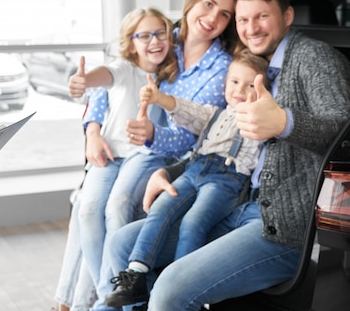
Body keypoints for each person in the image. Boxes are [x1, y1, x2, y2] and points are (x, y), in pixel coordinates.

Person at [104, 0, 350, 311]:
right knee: (121, 243)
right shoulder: (249, 64)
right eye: (243, 19)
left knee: (170, 289)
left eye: (262, 16)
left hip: (282, 227)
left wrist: (285, 122)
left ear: (288, 17)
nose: (252, 28)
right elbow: (219, 136)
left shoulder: (313, 59)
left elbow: (341, 127)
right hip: (234, 202)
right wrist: (171, 173)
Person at [54, 0, 240, 311]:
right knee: (87, 205)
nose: (213, 18)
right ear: (193, 0)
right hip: (119, 148)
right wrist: (92, 130)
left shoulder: (222, 68)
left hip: (167, 156)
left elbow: (192, 135)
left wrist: (153, 135)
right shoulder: (162, 35)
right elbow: (115, 76)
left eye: (225, 14)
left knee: (115, 206)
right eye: (209, 4)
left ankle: (97, 303)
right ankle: (78, 300)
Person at [105, 49, 270, 307]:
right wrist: (160, 98)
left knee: (193, 222)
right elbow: (187, 110)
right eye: (235, 82)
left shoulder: (257, 122)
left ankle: (179, 284)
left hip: (226, 179)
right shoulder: (214, 114)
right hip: (196, 169)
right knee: (161, 209)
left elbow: (263, 141)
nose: (239, 90)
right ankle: (136, 275)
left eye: (250, 85)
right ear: (225, 84)